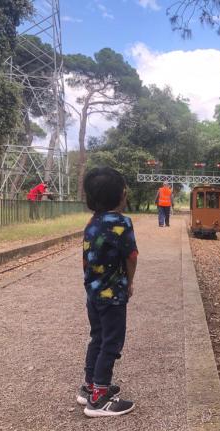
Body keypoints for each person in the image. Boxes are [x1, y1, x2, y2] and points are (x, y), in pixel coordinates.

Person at [77, 167, 138, 417]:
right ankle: (99, 399)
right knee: (111, 342)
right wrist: (130, 282)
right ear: (121, 195)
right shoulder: (122, 223)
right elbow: (132, 256)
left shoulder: (92, 222)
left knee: (98, 338)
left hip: (93, 294)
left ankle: (90, 386)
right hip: (113, 296)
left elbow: (86, 257)